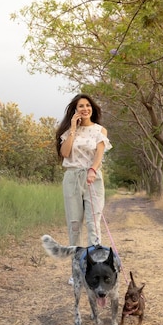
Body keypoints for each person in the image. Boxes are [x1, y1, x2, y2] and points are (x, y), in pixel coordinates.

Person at [55, 94, 112, 284]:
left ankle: (96, 269)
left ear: (92, 108)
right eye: (81, 106)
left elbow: (99, 154)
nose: (85, 108)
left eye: (88, 105)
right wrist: (72, 128)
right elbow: (65, 153)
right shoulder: (70, 131)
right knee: (74, 225)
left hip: (92, 178)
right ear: (75, 109)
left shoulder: (99, 130)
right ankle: (76, 271)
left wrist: (93, 170)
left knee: (93, 223)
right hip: (71, 178)